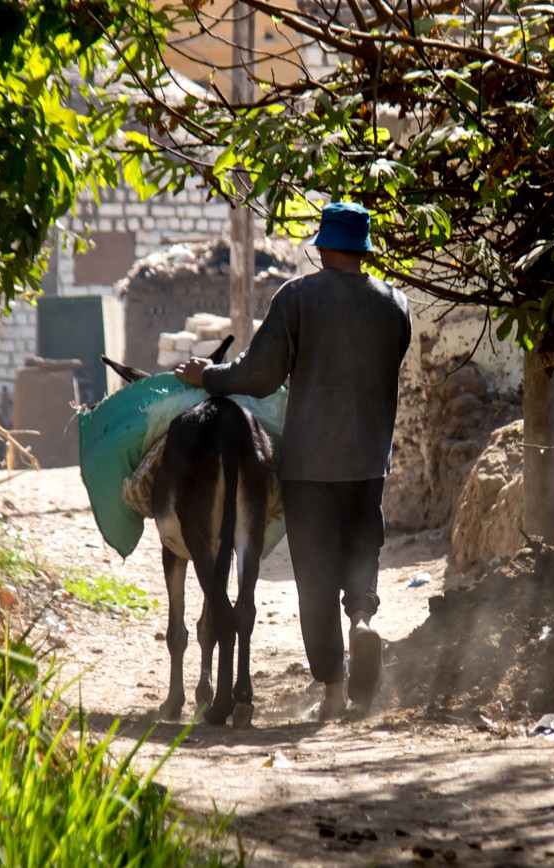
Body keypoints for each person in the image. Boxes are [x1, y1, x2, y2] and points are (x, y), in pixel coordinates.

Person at [175, 201, 412, 720]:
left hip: (309, 464)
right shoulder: (396, 304)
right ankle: (363, 621)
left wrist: (207, 377)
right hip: (370, 459)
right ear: (363, 249)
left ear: (324, 247)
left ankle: (332, 690)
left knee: (315, 573)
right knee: (361, 550)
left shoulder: (299, 297)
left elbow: (259, 375)